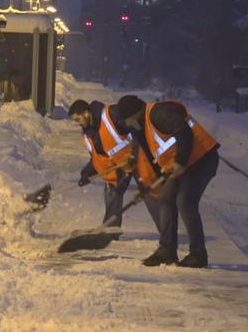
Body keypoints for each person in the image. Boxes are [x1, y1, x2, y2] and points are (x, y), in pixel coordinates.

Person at [117, 95, 220, 268]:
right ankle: (167, 251)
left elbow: (184, 131)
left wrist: (179, 162)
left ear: (134, 114)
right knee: (165, 198)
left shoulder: (158, 113)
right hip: (184, 164)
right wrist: (151, 184)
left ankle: (198, 254)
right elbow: (154, 158)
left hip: (202, 159)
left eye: (127, 120)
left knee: (185, 202)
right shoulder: (142, 128)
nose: (126, 124)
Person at [68, 99, 161, 232]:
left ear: (86, 113)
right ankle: (110, 231)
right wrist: (87, 174)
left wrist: (134, 154)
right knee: (112, 192)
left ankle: (167, 231)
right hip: (121, 166)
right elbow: (97, 157)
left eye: (78, 119)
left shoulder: (111, 114)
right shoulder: (88, 134)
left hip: (139, 159)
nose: (78, 124)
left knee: (150, 194)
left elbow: (136, 128)